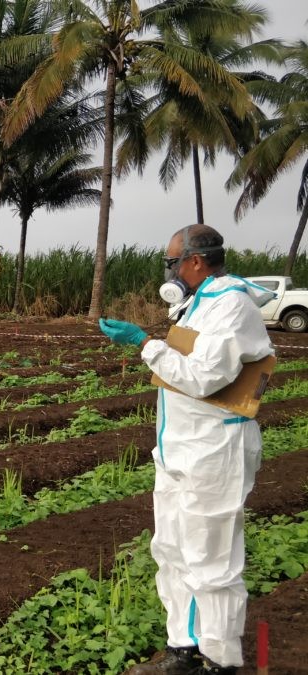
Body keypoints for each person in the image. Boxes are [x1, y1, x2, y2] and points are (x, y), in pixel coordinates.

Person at [98, 224, 275, 675]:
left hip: (215, 451)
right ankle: (183, 649)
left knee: (212, 560)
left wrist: (144, 343)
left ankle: (220, 661)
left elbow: (204, 377)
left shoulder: (231, 307)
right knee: (173, 550)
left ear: (195, 262)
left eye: (171, 261)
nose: (169, 269)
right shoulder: (198, 303)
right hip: (180, 448)